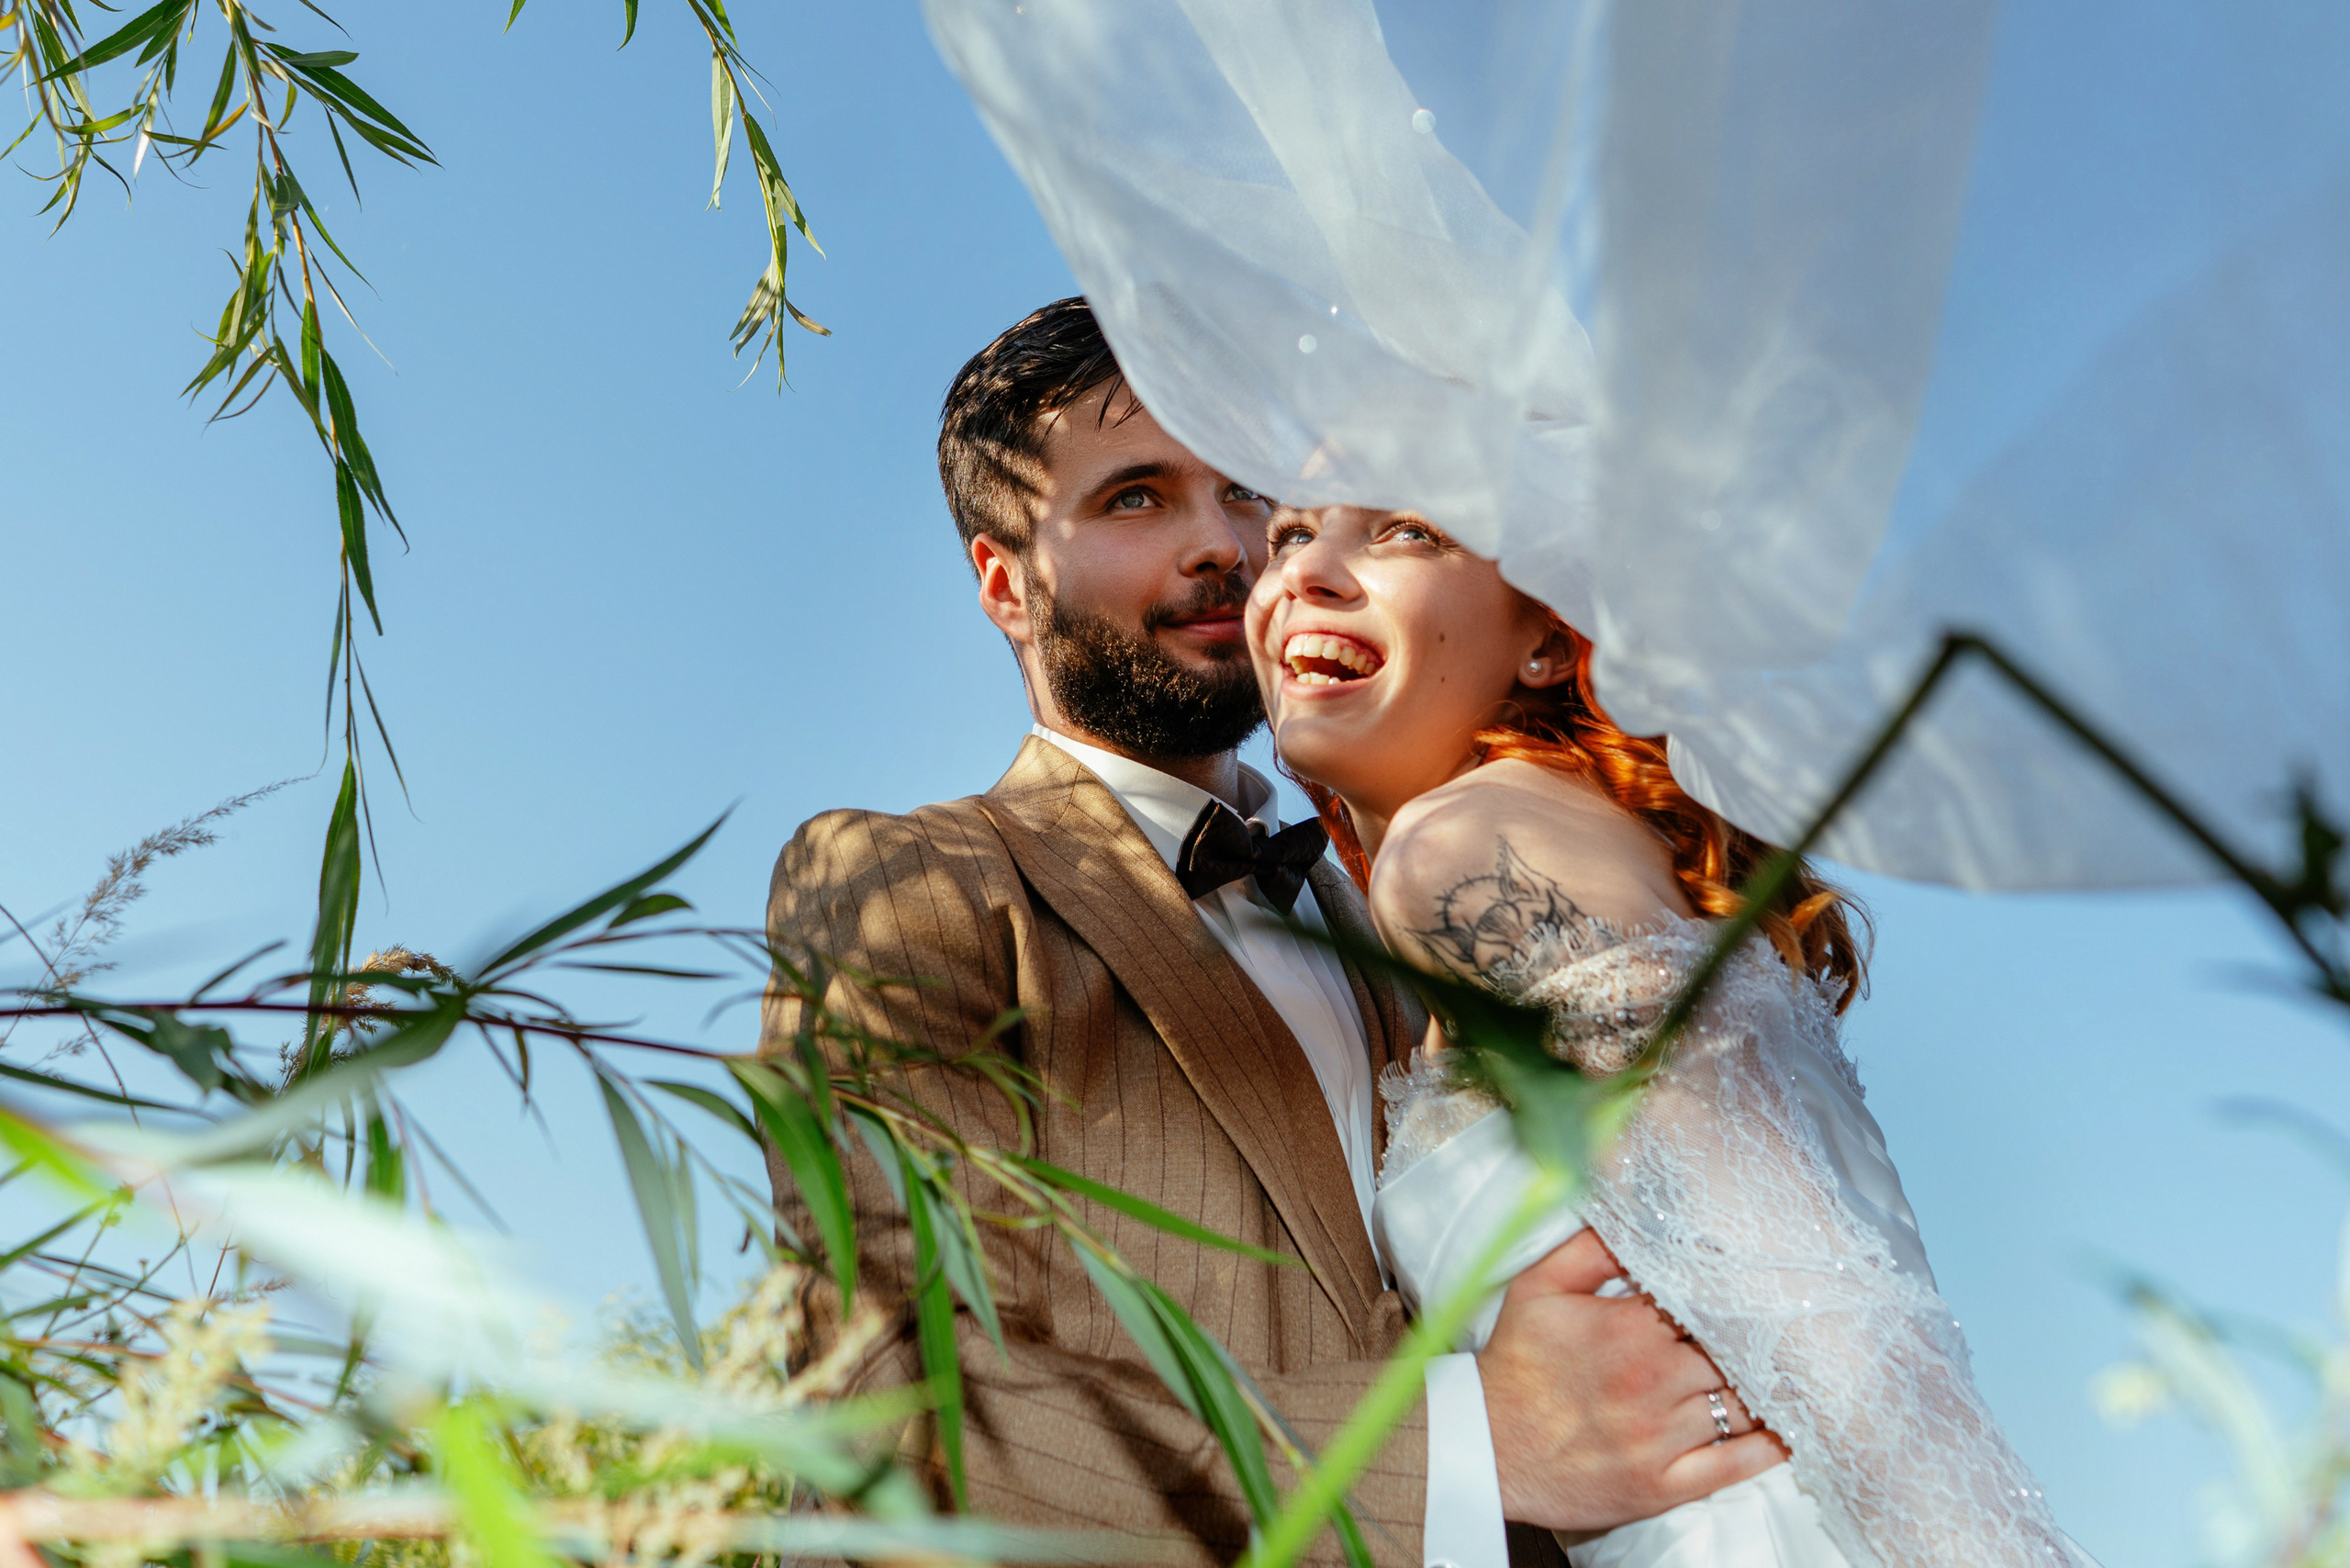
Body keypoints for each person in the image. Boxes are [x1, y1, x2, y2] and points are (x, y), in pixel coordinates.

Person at [758, 298, 1778, 1568]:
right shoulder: (902, 879)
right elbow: (886, 1433)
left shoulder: (1425, 907)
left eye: (1245, 493)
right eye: (1137, 498)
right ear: (1005, 583)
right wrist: (1477, 1444)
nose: (1224, 548)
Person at [1246, 502, 2098, 1567]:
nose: (1304, 574)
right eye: (1286, 536)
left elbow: (1813, 1293)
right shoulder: (1563, 832)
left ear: (1549, 638)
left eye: (1405, 531)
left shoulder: (1460, 843)